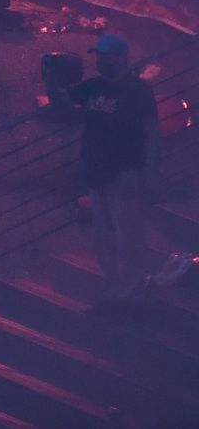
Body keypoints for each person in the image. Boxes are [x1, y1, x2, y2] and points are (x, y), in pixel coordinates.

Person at [62, 34, 182, 298]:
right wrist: (55, 78)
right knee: (103, 235)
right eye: (98, 56)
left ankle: (129, 288)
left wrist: (150, 172)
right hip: (97, 172)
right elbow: (62, 102)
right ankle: (112, 284)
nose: (99, 61)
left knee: (127, 234)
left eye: (104, 56)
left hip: (125, 172)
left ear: (119, 58)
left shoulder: (138, 91)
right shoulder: (94, 86)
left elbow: (151, 133)